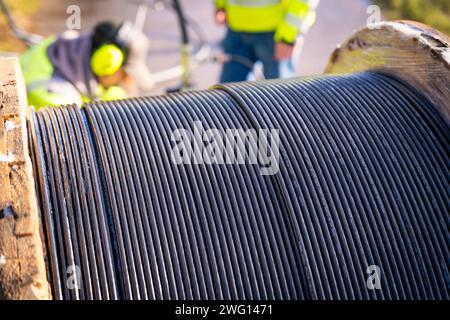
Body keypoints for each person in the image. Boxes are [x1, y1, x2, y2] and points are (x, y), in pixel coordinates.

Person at [20, 21, 154, 109]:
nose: (128, 81)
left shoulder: (69, 43)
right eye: (125, 74)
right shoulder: (57, 100)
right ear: (106, 63)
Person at [215, 0, 319, 83]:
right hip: (236, 30)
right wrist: (221, 4)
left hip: (275, 34)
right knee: (229, 98)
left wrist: (287, 36)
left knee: (278, 97)